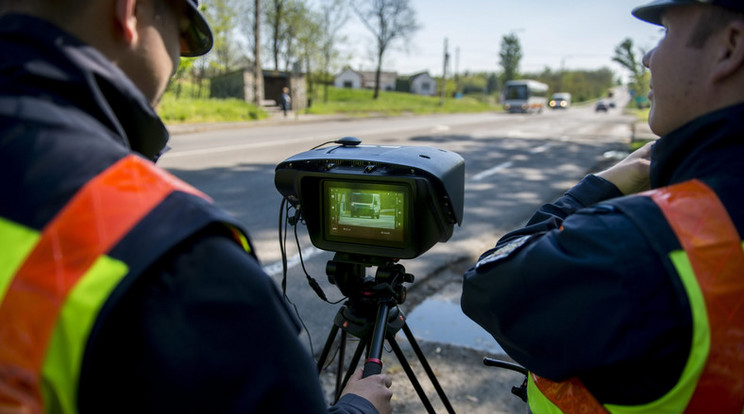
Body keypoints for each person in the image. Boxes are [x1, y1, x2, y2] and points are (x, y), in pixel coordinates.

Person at [0, 1, 392, 413]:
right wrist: (359, 407)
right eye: (183, 35)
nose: (176, 60)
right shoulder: (177, 256)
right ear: (128, 11)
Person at [461, 0, 744, 412]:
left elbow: (487, 285)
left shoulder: (633, 243)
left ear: (730, 46)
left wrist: (599, 187)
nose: (647, 58)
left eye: (664, 32)